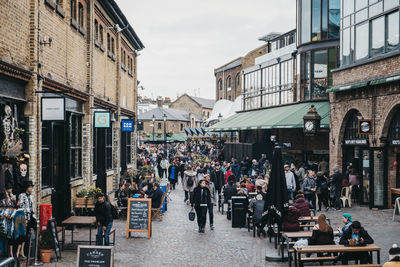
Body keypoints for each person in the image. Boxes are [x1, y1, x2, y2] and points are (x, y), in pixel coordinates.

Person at [18, 180, 36, 259]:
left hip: (30, 217)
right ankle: (19, 251)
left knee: (27, 235)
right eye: (30, 187)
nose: (31, 188)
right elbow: (20, 206)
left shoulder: (31, 196)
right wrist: (25, 216)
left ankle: (23, 250)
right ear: (27, 188)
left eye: (31, 187)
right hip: (24, 218)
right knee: (22, 235)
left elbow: (32, 207)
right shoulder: (22, 195)